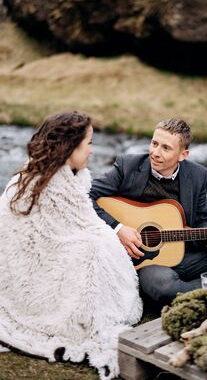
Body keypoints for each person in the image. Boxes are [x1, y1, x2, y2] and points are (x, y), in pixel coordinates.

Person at [0, 111, 142, 380]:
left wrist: (108, 238)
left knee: (98, 243)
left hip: (50, 253)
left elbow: (84, 222)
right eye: (88, 142)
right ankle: (76, 317)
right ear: (69, 149)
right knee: (90, 250)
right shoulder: (39, 182)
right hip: (25, 273)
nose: (92, 149)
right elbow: (34, 239)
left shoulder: (74, 177)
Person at [90, 118, 207, 307]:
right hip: (146, 262)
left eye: (165, 148)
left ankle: (187, 293)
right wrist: (119, 228)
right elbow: (84, 196)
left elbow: (201, 220)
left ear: (183, 154)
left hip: (187, 256)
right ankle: (204, 290)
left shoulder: (198, 175)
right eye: (154, 143)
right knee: (163, 287)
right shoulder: (128, 166)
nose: (155, 152)